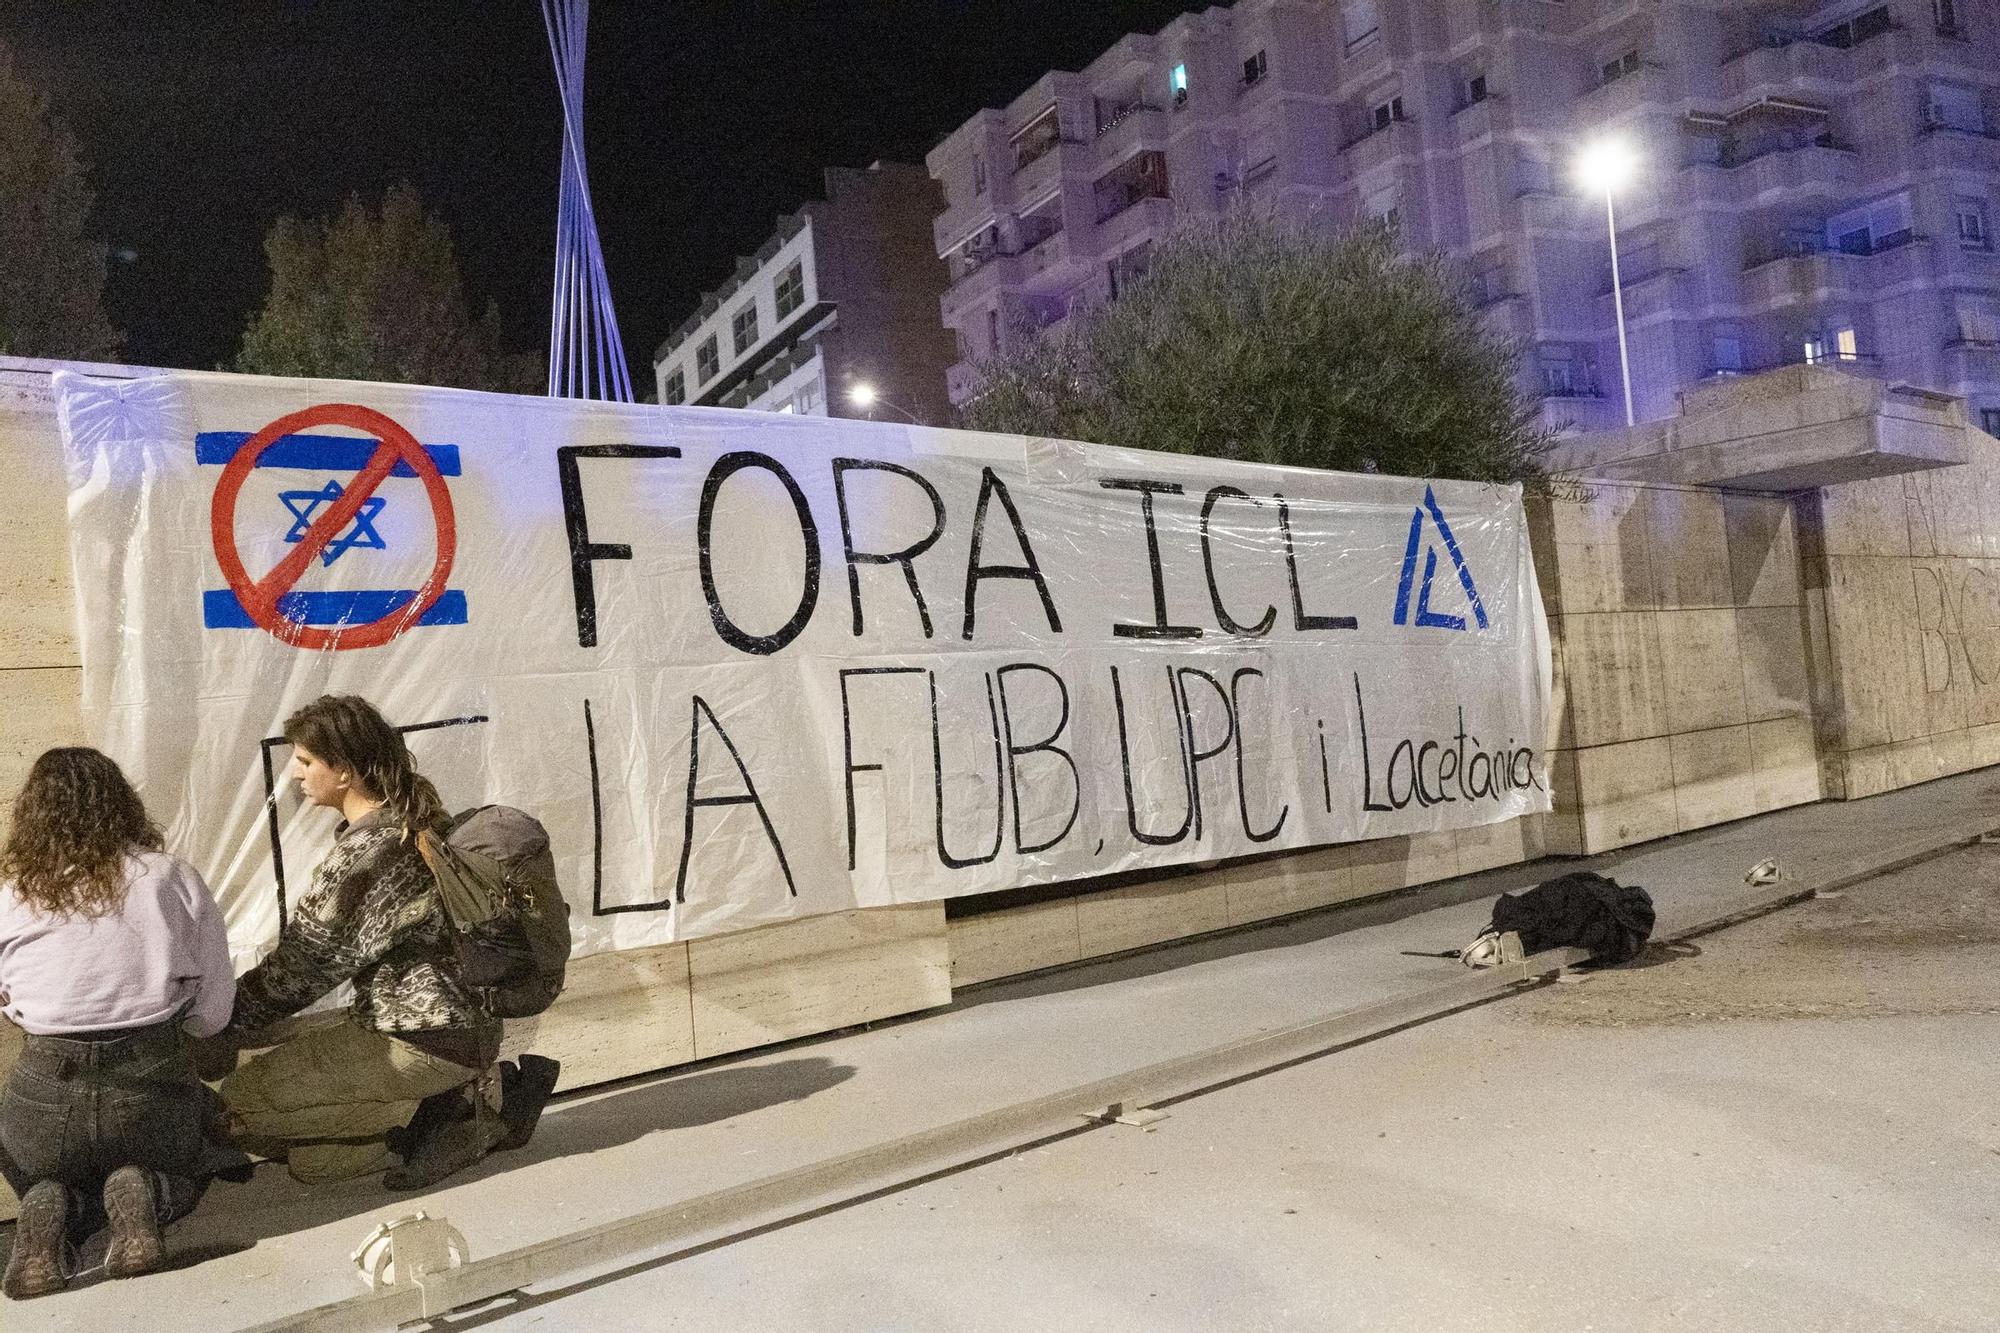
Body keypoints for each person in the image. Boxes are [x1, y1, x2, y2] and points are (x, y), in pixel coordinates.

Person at [218, 695, 536, 1189]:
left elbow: (303, 969)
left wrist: (216, 1020)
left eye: (305, 761)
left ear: (344, 772)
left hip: (419, 1041)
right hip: (454, 1034)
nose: (295, 775)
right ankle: (434, 1123)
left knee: (227, 1107)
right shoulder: (415, 822)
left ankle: (448, 1113)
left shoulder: (373, 851)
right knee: (316, 1167)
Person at [0, 748, 236, 1300]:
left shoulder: (10, 893)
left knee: (29, 1160)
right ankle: (150, 1192)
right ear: (121, 803)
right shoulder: (172, 877)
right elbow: (213, 1014)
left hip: (44, 1087)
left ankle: (55, 1202)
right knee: (196, 1147)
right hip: (150, 1080)